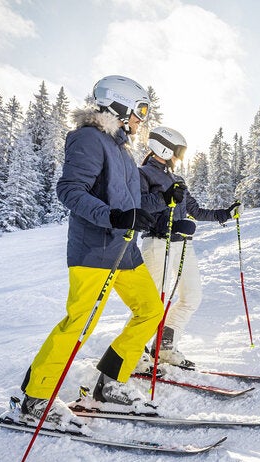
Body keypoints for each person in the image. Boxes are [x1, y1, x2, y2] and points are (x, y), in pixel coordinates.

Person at [18, 75, 164, 426]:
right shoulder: (88, 138)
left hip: (124, 250)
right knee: (79, 324)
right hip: (95, 247)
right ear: (119, 105)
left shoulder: (120, 149)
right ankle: (36, 398)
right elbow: (70, 190)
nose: (142, 118)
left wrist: (161, 200)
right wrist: (113, 216)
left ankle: (111, 383)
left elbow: (129, 201)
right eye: (139, 110)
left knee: (150, 310)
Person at [136, 126, 241, 371]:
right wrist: (165, 206)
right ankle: (136, 353)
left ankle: (164, 347)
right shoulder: (142, 174)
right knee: (151, 303)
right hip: (158, 243)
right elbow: (139, 205)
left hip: (183, 245)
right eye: (178, 151)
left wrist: (225, 214)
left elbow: (195, 210)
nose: (180, 156)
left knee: (191, 296)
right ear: (164, 147)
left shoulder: (177, 180)